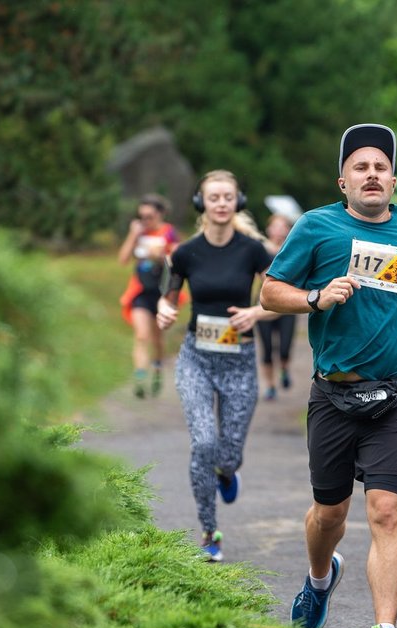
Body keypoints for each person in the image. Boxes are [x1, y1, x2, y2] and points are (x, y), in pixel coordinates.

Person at [259, 123, 397, 628]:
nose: (371, 175)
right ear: (343, 180)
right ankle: (319, 580)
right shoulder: (317, 227)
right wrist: (317, 297)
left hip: (396, 394)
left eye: (381, 167)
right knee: (330, 513)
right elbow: (270, 293)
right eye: (361, 167)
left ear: (393, 180)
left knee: (387, 511)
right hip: (334, 393)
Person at [156, 170, 280, 562]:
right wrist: (163, 310)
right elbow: (168, 297)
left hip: (240, 361)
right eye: (214, 197)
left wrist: (256, 314)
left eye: (228, 197)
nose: (222, 203)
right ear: (202, 204)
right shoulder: (186, 252)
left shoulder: (254, 251)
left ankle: (227, 472)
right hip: (196, 358)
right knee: (203, 443)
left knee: (227, 454)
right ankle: (210, 531)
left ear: (237, 202)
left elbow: (280, 299)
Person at [118, 194, 179, 398]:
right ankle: (140, 377)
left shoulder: (169, 232)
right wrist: (133, 235)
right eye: (142, 216)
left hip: (162, 293)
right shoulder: (138, 232)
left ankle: (158, 369)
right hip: (141, 292)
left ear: (160, 214)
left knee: (157, 339)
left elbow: (178, 261)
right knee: (141, 335)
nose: (145, 220)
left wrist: (162, 257)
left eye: (149, 216)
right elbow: (123, 259)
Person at [257, 213, 298, 400]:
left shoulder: (293, 249)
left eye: (283, 227)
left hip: (288, 305)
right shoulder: (260, 249)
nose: (279, 230)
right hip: (264, 305)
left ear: (289, 230)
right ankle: (270, 385)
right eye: (276, 226)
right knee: (266, 348)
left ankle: (284, 369)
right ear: (268, 229)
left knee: (284, 347)